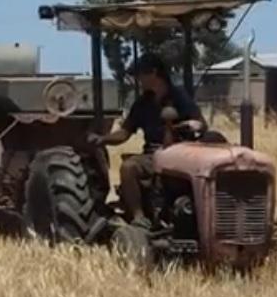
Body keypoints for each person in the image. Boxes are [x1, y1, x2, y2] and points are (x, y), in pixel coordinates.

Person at [88, 54, 205, 228]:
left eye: (139, 75)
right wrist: (103, 139)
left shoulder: (179, 97)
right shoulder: (142, 103)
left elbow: (200, 124)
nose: (138, 80)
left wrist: (192, 125)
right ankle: (138, 216)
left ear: (153, 73)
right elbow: (125, 133)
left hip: (182, 152)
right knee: (128, 167)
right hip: (153, 153)